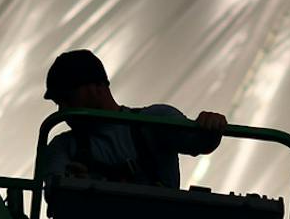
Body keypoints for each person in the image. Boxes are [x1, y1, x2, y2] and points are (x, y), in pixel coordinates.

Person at [40, 48, 226, 188]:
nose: (62, 110)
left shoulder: (154, 121)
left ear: (97, 87)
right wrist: (69, 185)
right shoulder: (62, 146)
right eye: (59, 102)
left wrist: (212, 124)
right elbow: (54, 192)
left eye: (67, 98)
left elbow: (199, 143)